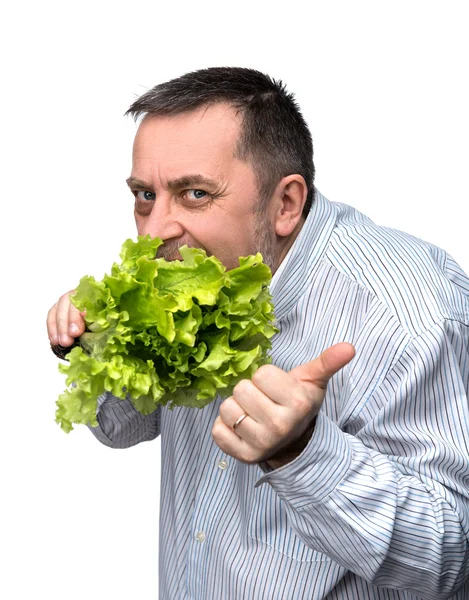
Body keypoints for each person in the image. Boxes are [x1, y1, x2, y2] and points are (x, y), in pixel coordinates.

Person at [47, 67, 469, 599]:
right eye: (144, 196)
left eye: (195, 194)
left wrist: (302, 453)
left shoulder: (409, 312)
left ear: (286, 204)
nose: (154, 231)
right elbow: (122, 426)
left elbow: (453, 557)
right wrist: (99, 345)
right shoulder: (199, 275)